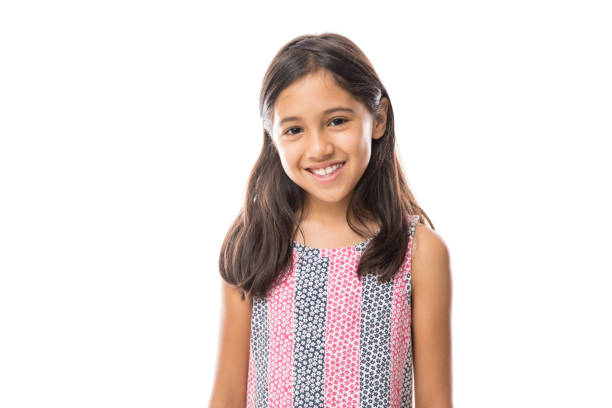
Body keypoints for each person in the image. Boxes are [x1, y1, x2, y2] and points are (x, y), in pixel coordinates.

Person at [209, 32, 452, 408]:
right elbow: (226, 398)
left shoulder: (419, 253)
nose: (319, 148)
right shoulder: (253, 246)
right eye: (294, 130)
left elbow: (436, 402)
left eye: (337, 121)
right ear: (272, 137)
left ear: (378, 118)